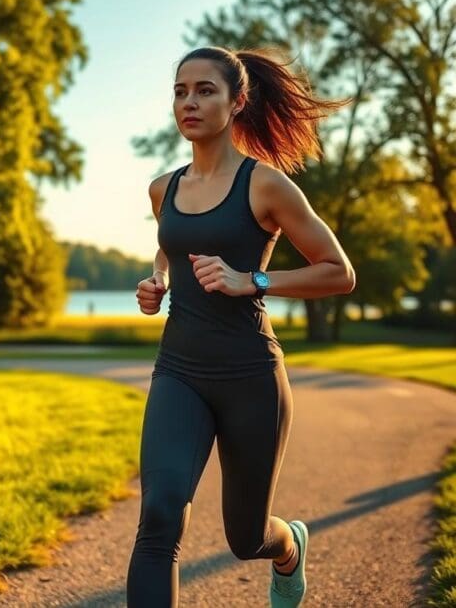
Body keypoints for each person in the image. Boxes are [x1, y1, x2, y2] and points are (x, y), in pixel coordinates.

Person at [128, 45, 356, 607]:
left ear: (236, 102)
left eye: (205, 90)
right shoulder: (163, 188)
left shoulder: (265, 186)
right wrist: (157, 280)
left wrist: (252, 280)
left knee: (246, 537)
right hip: (179, 371)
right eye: (180, 91)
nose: (189, 102)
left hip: (250, 376)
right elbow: (170, 245)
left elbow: (339, 272)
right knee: (159, 515)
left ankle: (289, 546)